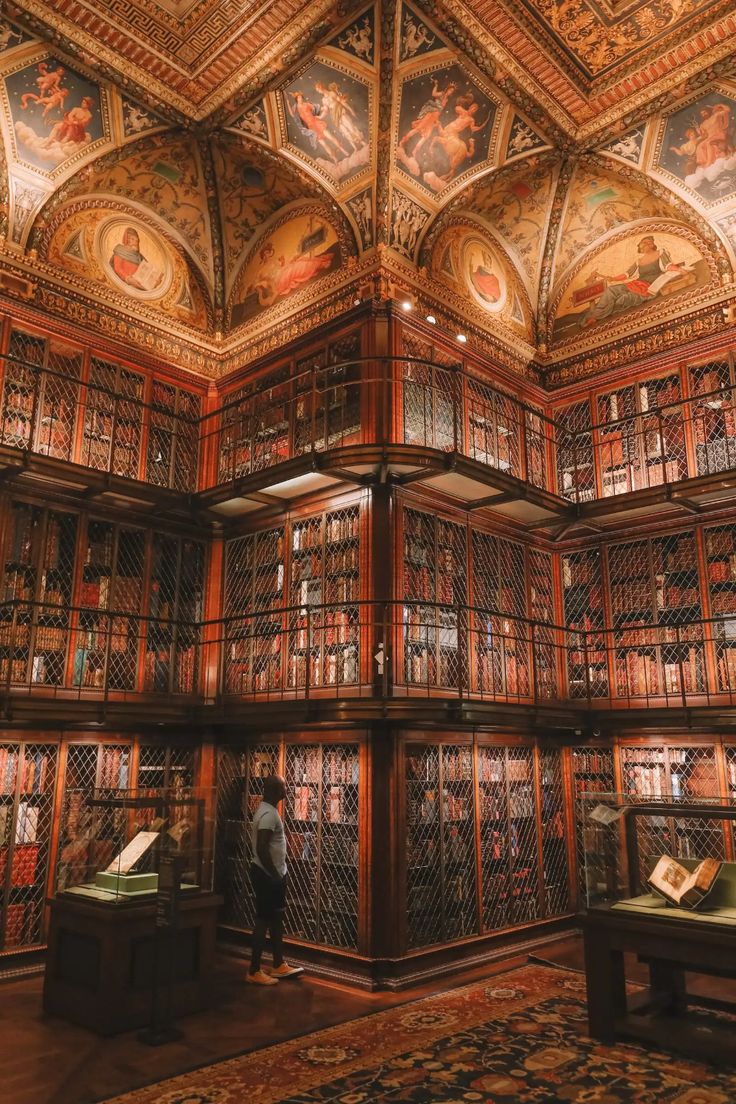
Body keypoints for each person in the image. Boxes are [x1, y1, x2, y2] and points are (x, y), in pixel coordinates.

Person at [247, 774, 304, 985]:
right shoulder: (269, 815)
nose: (286, 789)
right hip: (267, 874)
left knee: (276, 917)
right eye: (283, 786)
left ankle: (278, 963)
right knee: (263, 920)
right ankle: (254, 970)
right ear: (274, 790)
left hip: (272, 873)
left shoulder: (267, 811)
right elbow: (262, 847)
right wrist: (274, 874)